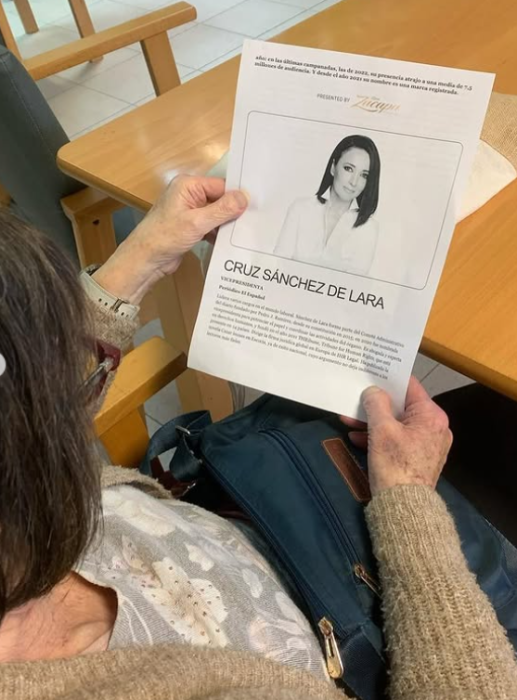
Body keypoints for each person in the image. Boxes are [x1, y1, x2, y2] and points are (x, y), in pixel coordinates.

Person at [0, 175, 516, 700]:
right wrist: (409, 500)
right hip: (397, 616)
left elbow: (28, 402)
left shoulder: (23, 503)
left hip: (255, 508)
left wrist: (142, 259)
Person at [274, 135, 380, 275]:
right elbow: (277, 267)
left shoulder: (368, 228)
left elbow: (353, 283)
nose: (354, 182)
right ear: (333, 167)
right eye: (348, 168)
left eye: (364, 175)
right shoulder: (300, 209)